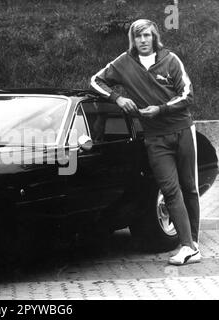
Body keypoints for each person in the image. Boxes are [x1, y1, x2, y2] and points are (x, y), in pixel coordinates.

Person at [90, 19, 200, 265]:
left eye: (147, 35)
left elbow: (187, 94)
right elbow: (95, 81)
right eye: (138, 36)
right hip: (154, 137)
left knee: (189, 187)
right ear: (133, 39)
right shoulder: (123, 62)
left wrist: (160, 109)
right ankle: (187, 246)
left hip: (182, 130)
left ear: (154, 37)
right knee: (170, 190)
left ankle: (194, 244)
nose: (143, 40)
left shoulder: (170, 59)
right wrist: (117, 98)